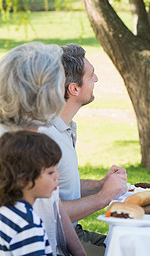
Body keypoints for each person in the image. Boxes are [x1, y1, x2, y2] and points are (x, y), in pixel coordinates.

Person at [40, 44, 128, 255]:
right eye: (91, 76)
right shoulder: (45, 138)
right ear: (74, 89)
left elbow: (58, 186)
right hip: (56, 243)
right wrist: (103, 197)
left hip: (72, 231)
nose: (96, 79)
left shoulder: (63, 128)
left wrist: (99, 185)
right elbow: (48, 213)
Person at [0, 42, 86, 256]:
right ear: (44, 92)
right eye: (59, 83)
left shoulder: (35, 136)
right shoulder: (11, 148)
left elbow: (55, 206)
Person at [0, 131, 62, 255]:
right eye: (50, 172)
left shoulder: (6, 212)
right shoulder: (27, 223)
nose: (57, 176)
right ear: (24, 180)